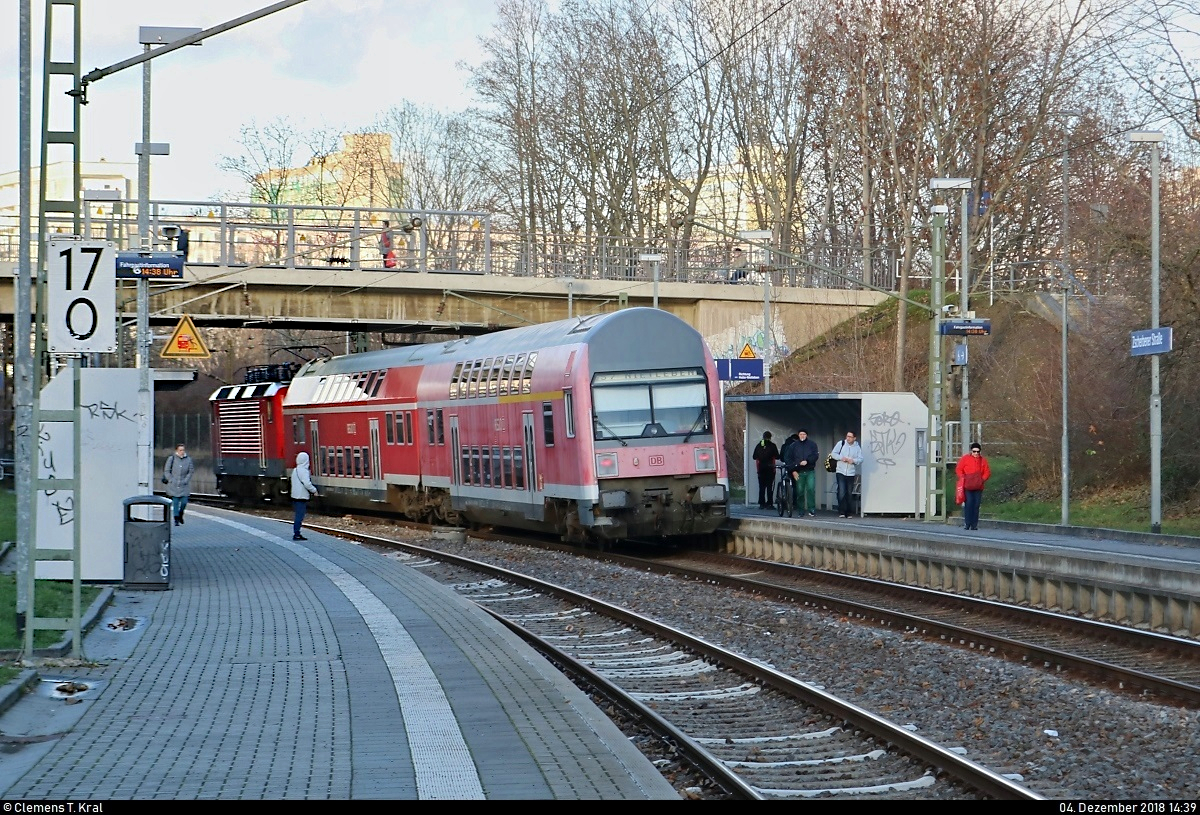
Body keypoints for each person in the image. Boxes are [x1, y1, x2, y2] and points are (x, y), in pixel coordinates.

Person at [956, 442, 991, 530]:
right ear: (971, 451)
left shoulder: (983, 461)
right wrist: (963, 477)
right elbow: (959, 469)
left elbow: (987, 472)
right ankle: (967, 523)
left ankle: (974, 524)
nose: (976, 453)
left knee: (976, 505)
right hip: (968, 486)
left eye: (977, 452)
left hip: (978, 487)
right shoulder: (965, 459)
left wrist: (982, 479)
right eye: (974, 451)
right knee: (969, 504)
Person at [785, 429, 819, 517]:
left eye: (804, 434)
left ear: (806, 435)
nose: (802, 436)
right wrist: (793, 470)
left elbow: (815, 455)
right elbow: (788, 459)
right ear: (798, 435)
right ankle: (801, 509)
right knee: (799, 491)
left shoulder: (812, 444)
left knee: (811, 489)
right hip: (798, 471)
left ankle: (811, 508)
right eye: (800, 434)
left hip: (809, 470)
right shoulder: (793, 446)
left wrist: (807, 461)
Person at [830, 430, 864, 518]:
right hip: (840, 471)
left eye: (850, 437)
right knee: (841, 491)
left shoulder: (857, 447)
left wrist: (853, 461)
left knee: (849, 492)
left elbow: (860, 459)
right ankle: (842, 511)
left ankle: (848, 512)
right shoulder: (841, 443)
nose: (848, 438)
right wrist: (841, 458)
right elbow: (833, 454)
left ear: (854, 438)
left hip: (851, 472)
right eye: (847, 436)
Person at [162, 443, 194, 526]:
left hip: (184, 485)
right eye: (180, 450)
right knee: (175, 502)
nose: (182, 452)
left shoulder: (188, 459)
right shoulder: (171, 459)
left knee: (184, 502)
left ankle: (181, 513)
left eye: (183, 450)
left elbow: (190, 471)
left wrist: (186, 480)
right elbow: (167, 470)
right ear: (176, 450)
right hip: (174, 484)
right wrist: (171, 479)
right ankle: (176, 519)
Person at [291, 451, 319, 540]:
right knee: (300, 516)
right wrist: (314, 490)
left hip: (295, 496)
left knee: (297, 515)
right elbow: (307, 483)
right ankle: (297, 534)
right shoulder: (304, 471)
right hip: (301, 496)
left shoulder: (295, 470)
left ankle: (297, 533)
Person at [752, 431, 779, 509]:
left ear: (763, 437)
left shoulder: (759, 445)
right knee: (769, 487)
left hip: (761, 468)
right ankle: (769, 503)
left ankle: (761, 503)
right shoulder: (772, 445)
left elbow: (754, 456)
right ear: (770, 437)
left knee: (762, 487)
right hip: (770, 468)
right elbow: (777, 456)